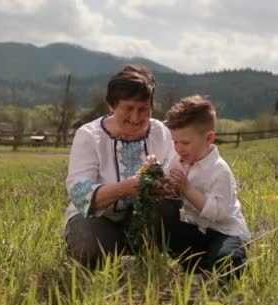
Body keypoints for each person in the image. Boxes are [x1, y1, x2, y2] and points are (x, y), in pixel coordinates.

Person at [63, 65, 174, 268]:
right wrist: (124, 188)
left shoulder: (160, 132)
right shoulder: (89, 136)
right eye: (128, 108)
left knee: (170, 213)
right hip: (98, 218)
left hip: (144, 216)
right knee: (89, 247)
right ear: (111, 106)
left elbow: (174, 174)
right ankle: (104, 248)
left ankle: (148, 252)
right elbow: (79, 193)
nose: (136, 117)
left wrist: (164, 184)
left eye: (143, 109)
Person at [161, 95, 250, 277]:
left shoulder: (219, 171)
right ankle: (197, 268)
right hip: (196, 229)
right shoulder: (177, 161)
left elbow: (218, 213)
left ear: (209, 138)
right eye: (175, 141)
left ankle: (221, 262)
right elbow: (173, 195)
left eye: (185, 143)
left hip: (225, 231)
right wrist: (167, 186)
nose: (178, 148)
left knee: (227, 260)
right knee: (163, 223)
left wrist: (186, 189)